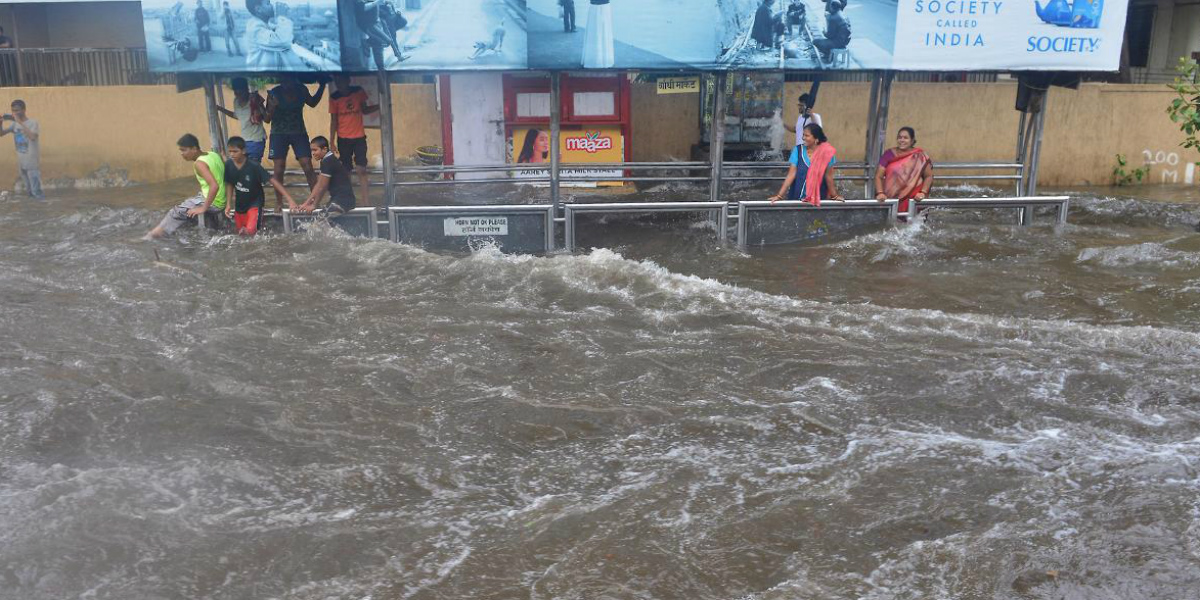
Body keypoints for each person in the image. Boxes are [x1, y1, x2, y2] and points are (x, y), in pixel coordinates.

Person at [144, 134, 227, 239]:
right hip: (221, 199)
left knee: (176, 211)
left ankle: (154, 235)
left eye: (184, 150)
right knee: (189, 205)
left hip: (215, 202)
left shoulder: (199, 164)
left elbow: (214, 186)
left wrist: (203, 208)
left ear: (194, 149)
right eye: (181, 151)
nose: (182, 154)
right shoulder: (213, 154)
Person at [266, 75, 327, 206]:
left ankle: (315, 201)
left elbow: (312, 103)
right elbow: (267, 118)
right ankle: (279, 203)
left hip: (298, 131)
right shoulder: (274, 93)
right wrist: (272, 106)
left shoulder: (301, 90)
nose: (287, 84)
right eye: (285, 81)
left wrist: (322, 86)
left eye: (290, 80)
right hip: (278, 133)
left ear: (295, 79)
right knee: (278, 169)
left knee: (307, 166)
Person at [223, 136, 296, 235]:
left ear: (243, 151)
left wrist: (290, 200)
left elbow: (273, 181)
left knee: (251, 231)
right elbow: (230, 184)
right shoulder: (228, 165)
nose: (232, 154)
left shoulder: (254, 166)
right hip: (239, 205)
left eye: (235, 151)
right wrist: (228, 204)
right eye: (230, 151)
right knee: (241, 234)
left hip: (255, 203)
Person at [329, 75, 379, 206]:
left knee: (361, 169)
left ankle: (366, 203)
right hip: (343, 138)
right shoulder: (334, 97)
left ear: (348, 81)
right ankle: (349, 201)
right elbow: (333, 120)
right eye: (337, 82)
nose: (340, 84)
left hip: (359, 137)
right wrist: (331, 141)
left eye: (342, 81)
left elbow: (365, 109)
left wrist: (382, 105)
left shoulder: (358, 91)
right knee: (346, 171)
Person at [769, 123, 843, 205]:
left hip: (819, 201)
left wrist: (835, 196)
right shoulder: (797, 151)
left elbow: (828, 177)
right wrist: (779, 196)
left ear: (816, 138)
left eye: (807, 136)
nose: (803, 138)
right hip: (797, 200)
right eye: (803, 135)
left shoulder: (827, 154)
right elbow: (791, 175)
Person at [874, 126, 933, 214]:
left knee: (913, 226)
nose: (902, 140)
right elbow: (879, 176)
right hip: (892, 199)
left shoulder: (920, 155)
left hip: (914, 199)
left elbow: (929, 176)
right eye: (899, 137)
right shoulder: (888, 154)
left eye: (905, 138)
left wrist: (923, 193)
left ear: (912, 140)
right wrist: (880, 193)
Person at [297, 136, 356, 216]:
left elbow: (322, 187)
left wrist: (314, 205)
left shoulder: (328, 161)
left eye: (315, 150)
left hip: (343, 201)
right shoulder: (326, 160)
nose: (313, 153)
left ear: (324, 149)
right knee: (321, 222)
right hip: (338, 200)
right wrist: (306, 203)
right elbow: (318, 184)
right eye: (311, 150)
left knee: (320, 222)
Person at [216, 77, 267, 162]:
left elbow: (266, 118)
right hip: (244, 141)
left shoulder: (254, 100)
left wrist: (260, 105)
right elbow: (237, 116)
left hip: (256, 139)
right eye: (236, 93)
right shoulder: (236, 101)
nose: (239, 95)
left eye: (241, 92)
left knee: (253, 167)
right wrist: (220, 109)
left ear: (246, 90)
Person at [245, 0, 306, 70]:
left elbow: (275, 32)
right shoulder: (255, 28)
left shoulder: (263, 24)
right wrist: (282, 17)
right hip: (261, 76)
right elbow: (282, 41)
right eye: (268, 3)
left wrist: (292, 36)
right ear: (259, 9)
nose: (272, 6)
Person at [0, 100, 43, 200]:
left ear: (24, 110)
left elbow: (32, 137)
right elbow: (1, 134)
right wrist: (0, 123)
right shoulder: (14, 125)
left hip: (32, 163)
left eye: (17, 110)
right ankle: (33, 212)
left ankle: (42, 210)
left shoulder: (33, 123)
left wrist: (20, 122)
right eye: (13, 110)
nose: (15, 113)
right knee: (28, 191)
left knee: (36, 191)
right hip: (21, 163)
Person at [355, 0, 406, 69]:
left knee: (389, 38)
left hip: (382, 18)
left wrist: (388, 4)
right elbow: (363, 7)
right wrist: (378, 3)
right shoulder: (363, 3)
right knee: (387, 40)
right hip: (376, 20)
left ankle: (397, 56)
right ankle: (366, 43)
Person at [582, 0, 614, 69]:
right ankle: (603, 60)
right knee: (602, 32)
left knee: (594, 33)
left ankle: (593, 60)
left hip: (596, 6)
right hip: (602, 6)